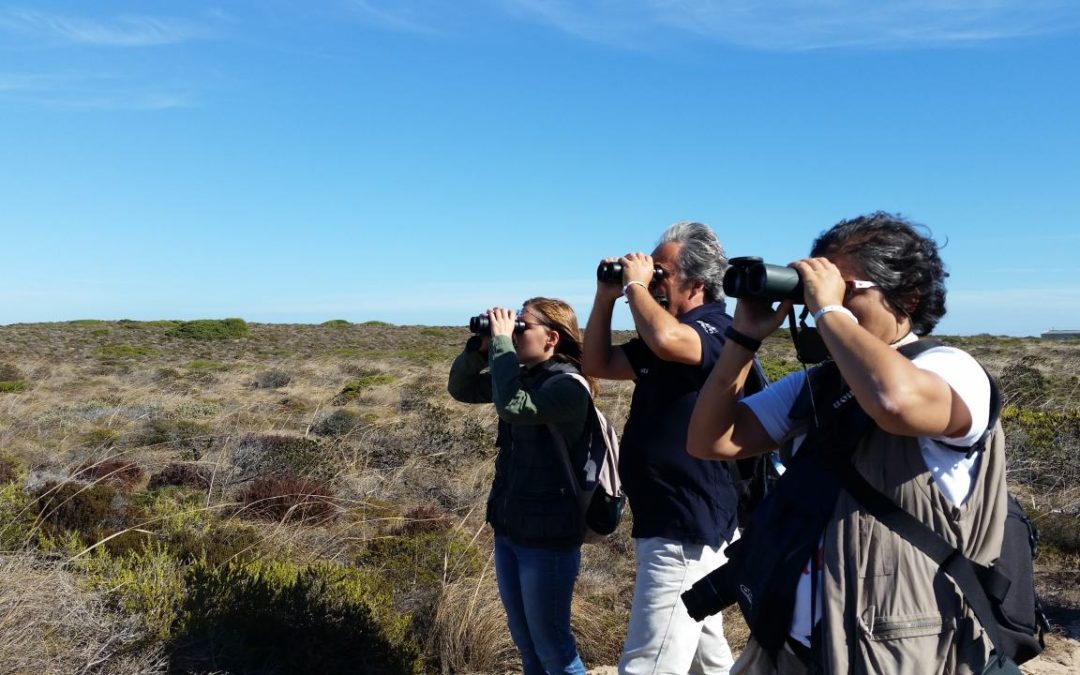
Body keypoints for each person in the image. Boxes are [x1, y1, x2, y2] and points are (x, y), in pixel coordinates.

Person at [687, 212, 1008, 674]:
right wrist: (743, 337)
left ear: (907, 299)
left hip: (891, 654)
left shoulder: (952, 370)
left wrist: (828, 309)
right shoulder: (818, 386)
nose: (822, 300)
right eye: (816, 287)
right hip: (788, 645)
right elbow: (709, 439)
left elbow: (895, 402)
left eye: (846, 288)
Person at [584, 221, 743, 675]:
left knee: (648, 664)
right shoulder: (666, 332)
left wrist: (634, 284)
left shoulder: (718, 330)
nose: (651, 280)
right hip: (670, 518)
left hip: (686, 526)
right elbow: (597, 362)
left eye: (661, 273)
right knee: (708, 660)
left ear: (697, 282)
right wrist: (605, 297)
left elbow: (669, 341)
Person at [448, 297, 593, 675]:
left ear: (552, 339)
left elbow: (513, 406)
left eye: (521, 326)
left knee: (553, 647)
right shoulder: (523, 377)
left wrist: (500, 345)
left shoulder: (568, 387)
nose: (512, 332)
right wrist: (480, 350)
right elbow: (461, 388)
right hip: (511, 527)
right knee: (526, 642)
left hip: (549, 537)